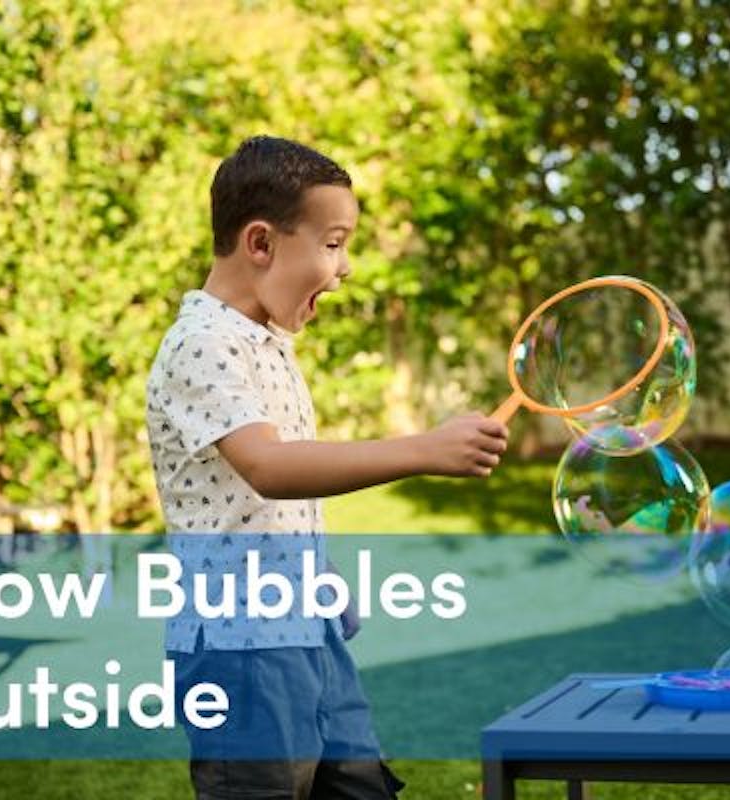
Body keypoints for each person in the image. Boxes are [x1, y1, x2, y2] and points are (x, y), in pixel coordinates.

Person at [145, 136, 508, 799]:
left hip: (305, 630)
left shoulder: (267, 344)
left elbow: (263, 504)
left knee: (362, 787)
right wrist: (424, 450)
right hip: (241, 649)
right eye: (334, 243)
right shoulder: (201, 345)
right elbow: (270, 468)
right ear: (260, 243)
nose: (345, 268)